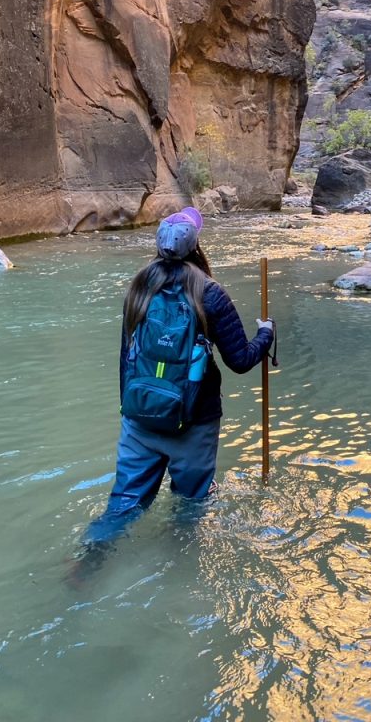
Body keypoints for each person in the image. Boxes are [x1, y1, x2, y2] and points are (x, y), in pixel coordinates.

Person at [81, 207, 274, 551]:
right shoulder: (210, 292)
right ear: (196, 246)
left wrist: (130, 410)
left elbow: (127, 356)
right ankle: (178, 572)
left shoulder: (138, 286)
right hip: (193, 423)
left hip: (139, 418)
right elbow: (241, 360)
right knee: (190, 506)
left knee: (123, 505)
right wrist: (266, 334)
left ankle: (89, 559)